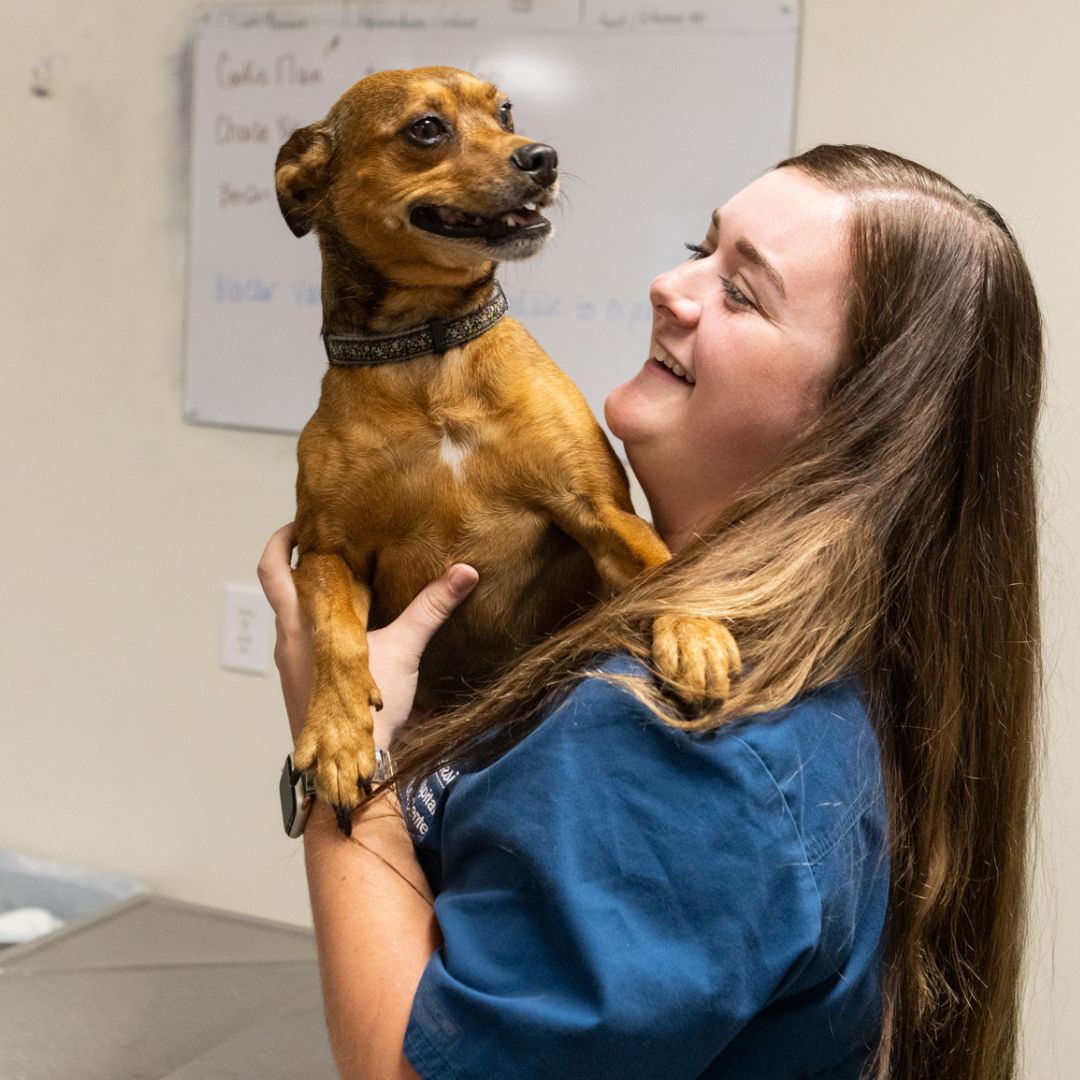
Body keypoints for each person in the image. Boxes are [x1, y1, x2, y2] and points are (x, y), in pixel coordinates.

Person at [258, 145, 1043, 1080]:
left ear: (857, 419)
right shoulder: (806, 650)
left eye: (742, 293)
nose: (669, 286)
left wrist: (347, 776)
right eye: (696, 249)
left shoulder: (680, 733)